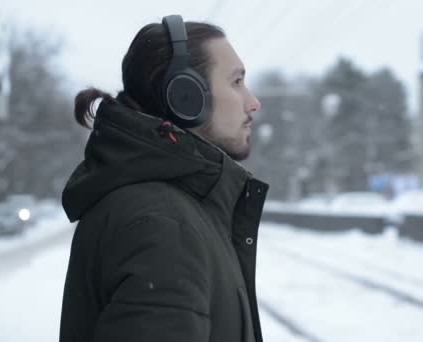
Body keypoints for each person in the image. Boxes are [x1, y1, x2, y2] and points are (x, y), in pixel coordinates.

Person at [59, 14, 269, 342]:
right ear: (186, 96)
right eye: (237, 82)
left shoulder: (171, 209)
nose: (253, 102)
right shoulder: (163, 224)